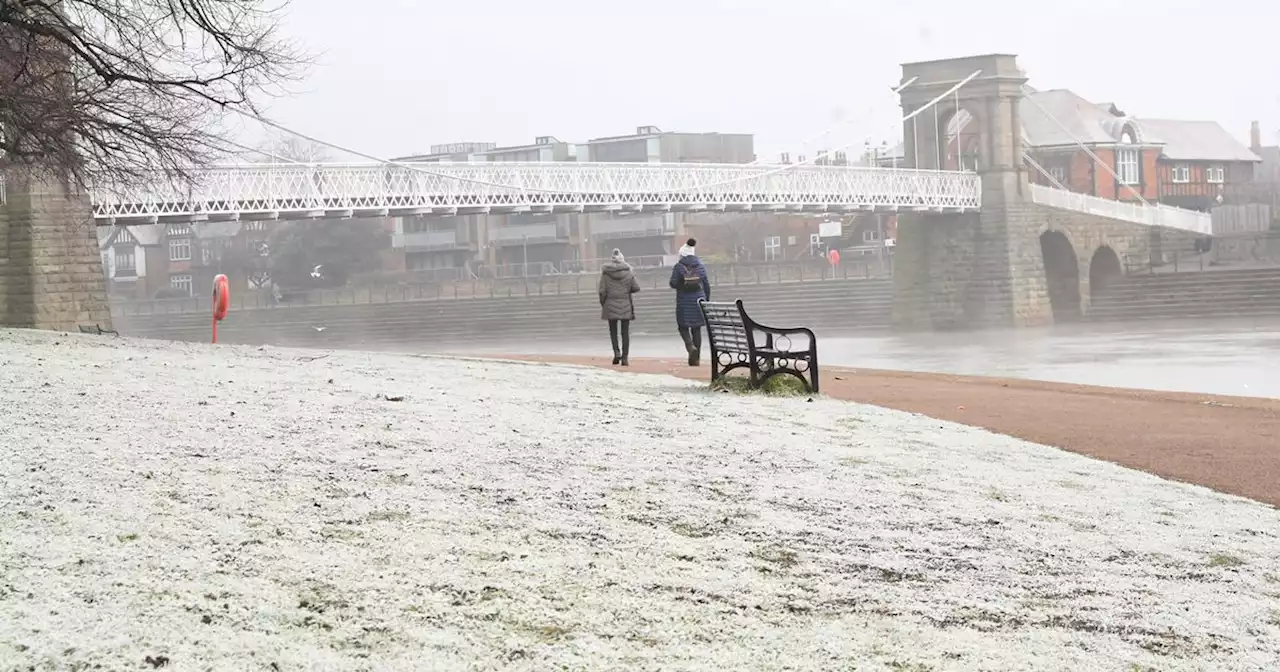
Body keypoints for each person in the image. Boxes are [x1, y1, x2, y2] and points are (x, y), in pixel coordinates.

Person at [668, 237, 710, 366]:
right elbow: (706, 284)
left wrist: (681, 285)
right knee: (696, 329)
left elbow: (673, 283)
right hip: (698, 299)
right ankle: (695, 360)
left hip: (684, 300)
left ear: (682, 254)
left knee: (683, 327)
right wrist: (706, 299)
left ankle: (690, 347)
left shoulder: (679, 266)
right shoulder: (701, 265)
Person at [598, 248, 641, 366]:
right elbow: (636, 288)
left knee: (613, 331)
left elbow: (602, 291)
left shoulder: (606, 274)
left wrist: (604, 304)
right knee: (625, 332)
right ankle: (625, 358)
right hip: (625, 304)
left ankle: (617, 353)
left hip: (610, 304)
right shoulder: (629, 272)